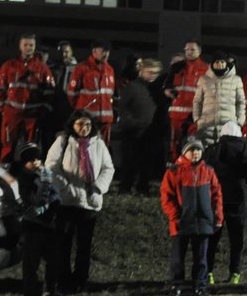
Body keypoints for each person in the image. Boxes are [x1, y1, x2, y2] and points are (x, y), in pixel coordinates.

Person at [45, 109, 116, 295]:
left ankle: (81, 280)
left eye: (87, 125)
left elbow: (108, 168)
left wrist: (99, 187)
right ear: (72, 125)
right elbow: (51, 167)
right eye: (80, 124)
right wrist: (65, 187)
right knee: (64, 244)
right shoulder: (63, 142)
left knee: (84, 246)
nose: (84, 128)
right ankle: (63, 280)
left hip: (89, 201)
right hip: (67, 201)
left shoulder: (99, 144)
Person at [160, 135, 224, 296]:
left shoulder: (208, 171)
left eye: (198, 149)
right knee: (178, 258)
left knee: (201, 257)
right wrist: (176, 216)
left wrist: (217, 215)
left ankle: (200, 286)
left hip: (203, 221)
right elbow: (167, 197)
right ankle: (177, 286)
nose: (195, 153)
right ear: (184, 152)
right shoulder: (174, 171)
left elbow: (217, 194)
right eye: (191, 149)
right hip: (181, 222)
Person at [203, 120, 247, 286]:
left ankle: (209, 273)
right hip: (238, 197)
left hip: (217, 198)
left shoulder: (213, 150)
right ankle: (235, 273)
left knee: (213, 238)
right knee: (237, 239)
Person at [10, 141, 64, 296]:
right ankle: (30, 293)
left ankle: (50, 290)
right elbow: (38, 201)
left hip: (48, 223)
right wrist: (46, 182)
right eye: (32, 160)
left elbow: (55, 197)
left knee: (54, 259)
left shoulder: (38, 176)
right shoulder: (24, 181)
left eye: (38, 159)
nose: (36, 163)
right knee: (31, 262)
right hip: (33, 225)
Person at [0, 34, 56, 162]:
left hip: (33, 115)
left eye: (31, 45)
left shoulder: (43, 68)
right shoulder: (9, 66)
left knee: (31, 147)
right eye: (25, 45)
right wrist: (1, 109)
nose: (28, 48)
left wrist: (44, 110)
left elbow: (50, 92)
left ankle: (28, 174)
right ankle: (6, 169)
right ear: (20, 46)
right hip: (12, 113)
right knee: (7, 145)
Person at [112, 58, 163, 194]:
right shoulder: (133, 87)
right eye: (149, 72)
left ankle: (143, 187)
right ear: (141, 71)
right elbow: (123, 107)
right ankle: (125, 187)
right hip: (131, 131)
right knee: (129, 161)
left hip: (149, 131)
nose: (152, 75)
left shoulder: (156, 89)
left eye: (155, 73)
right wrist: (131, 122)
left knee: (146, 161)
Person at [164, 40, 209, 158]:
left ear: (200, 51)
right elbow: (167, 86)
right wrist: (168, 91)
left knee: (192, 145)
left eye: (192, 49)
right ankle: (176, 170)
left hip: (194, 115)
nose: (189, 52)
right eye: (186, 50)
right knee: (174, 146)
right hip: (176, 115)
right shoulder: (177, 67)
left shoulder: (206, 69)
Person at [192, 51, 246, 146]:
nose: (220, 64)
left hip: (229, 125)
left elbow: (241, 102)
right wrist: (197, 119)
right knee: (208, 154)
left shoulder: (236, 79)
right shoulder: (204, 79)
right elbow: (197, 101)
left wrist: (240, 121)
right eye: (217, 62)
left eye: (222, 62)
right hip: (207, 125)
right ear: (212, 64)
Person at [66, 42, 116, 142]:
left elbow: (111, 93)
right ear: (94, 51)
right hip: (88, 120)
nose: (106, 54)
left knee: (103, 152)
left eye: (108, 51)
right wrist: (81, 110)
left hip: (106, 121)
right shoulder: (82, 68)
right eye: (103, 51)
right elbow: (72, 93)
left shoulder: (110, 70)